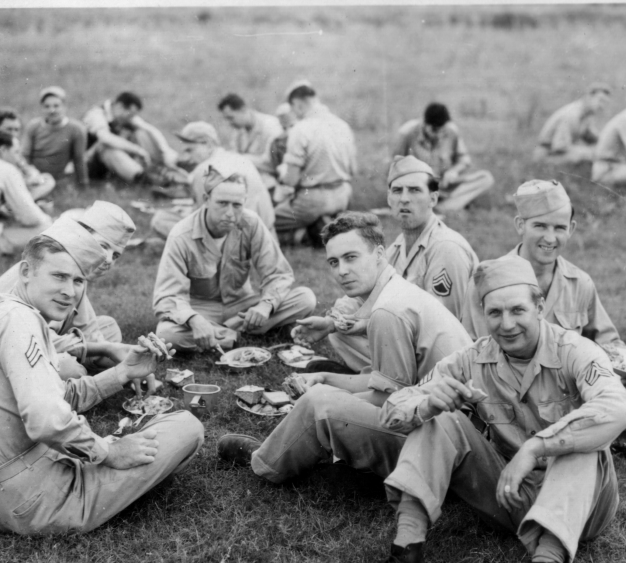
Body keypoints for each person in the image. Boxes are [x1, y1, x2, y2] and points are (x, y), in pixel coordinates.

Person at [344, 256, 626, 563]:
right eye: (495, 312)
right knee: (441, 420)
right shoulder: (472, 357)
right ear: (482, 314)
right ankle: (406, 562)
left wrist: (535, 447)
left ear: (540, 307)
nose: (507, 324)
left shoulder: (574, 350)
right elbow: (393, 411)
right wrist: (429, 402)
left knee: (581, 441)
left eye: (518, 310)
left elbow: (617, 408)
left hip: (583, 507)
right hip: (510, 496)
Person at [0, 223, 203, 536]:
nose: (70, 291)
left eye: (78, 280)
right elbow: (46, 420)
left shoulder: (13, 312)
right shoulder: (20, 321)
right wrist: (110, 452)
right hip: (29, 502)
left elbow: (57, 397)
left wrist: (123, 371)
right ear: (26, 272)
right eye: (58, 276)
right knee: (186, 427)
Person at [216, 211, 471, 481]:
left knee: (317, 403)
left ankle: (265, 464)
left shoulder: (388, 310)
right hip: (451, 423)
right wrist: (325, 378)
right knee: (323, 396)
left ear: (380, 253)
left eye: (351, 257)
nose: (342, 271)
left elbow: (388, 400)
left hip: (445, 441)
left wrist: (327, 399)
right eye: (334, 262)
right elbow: (391, 386)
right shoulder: (395, 292)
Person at [463, 180, 626, 462]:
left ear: (572, 229)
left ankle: (599, 432)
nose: (550, 237)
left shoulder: (580, 282)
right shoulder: (487, 281)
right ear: (520, 225)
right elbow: (477, 352)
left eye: (559, 228)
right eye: (540, 226)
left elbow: (606, 342)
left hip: (575, 390)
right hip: (517, 396)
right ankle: (603, 435)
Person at [299, 156, 479, 373]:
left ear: (433, 198)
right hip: (409, 335)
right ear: (388, 199)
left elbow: (440, 325)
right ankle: (380, 376)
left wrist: (366, 325)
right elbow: (367, 292)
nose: (404, 199)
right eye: (397, 191)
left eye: (414, 190)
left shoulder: (447, 248)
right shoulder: (400, 244)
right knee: (339, 325)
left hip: (454, 360)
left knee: (356, 327)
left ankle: (383, 380)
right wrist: (330, 322)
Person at [0, 201, 147, 385]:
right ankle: (74, 383)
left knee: (109, 328)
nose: (107, 259)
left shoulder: (76, 266)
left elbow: (87, 328)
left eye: (116, 255)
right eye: (103, 246)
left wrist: (125, 363)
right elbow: (29, 337)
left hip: (41, 340)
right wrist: (107, 351)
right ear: (82, 235)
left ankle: (80, 371)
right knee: (71, 370)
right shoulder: (47, 265)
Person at [153, 169, 316, 351]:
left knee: (306, 298)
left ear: (244, 202)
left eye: (237, 205)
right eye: (222, 203)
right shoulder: (181, 234)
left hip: (242, 305)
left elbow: (279, 274)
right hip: (201, 308)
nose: (230, 213)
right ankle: (241, 334)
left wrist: (265, 305)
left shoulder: (251, 223)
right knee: (166, 334)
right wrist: (194, 320)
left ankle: (220, 335)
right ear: (206, 199)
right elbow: (166, 296)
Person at [149, 122, 275, 238]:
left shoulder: (204, 169)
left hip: (236, 244)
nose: (187, 157)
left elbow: (204, 219)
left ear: (208, 145)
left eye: (190, 150)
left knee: (160, 220)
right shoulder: (238, 158)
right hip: (266, 238)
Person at [274, 81, 356, 247]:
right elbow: (353, 169)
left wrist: (283, 175)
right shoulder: (343, 125)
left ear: (297, 105)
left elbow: (291, 180)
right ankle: (328, 222)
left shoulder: (300, 129)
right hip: (342, 194)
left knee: (267, 219)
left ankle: (307, 232)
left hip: (312, 200)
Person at [392, 102, 494, 212]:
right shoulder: (407, 133)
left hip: (444, 185)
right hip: (419, 187)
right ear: (425, 123)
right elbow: (396, 166)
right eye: (435, 130)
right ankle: (447, 205)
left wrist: (453, 171)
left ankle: (442, 206)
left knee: (486, 178)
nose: (439, 135)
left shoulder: (451, 131)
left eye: (442, 130)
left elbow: (464, 160)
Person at [83, 91, 180, 183]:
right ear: (120, 107)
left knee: (140, 133)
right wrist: (137, 150)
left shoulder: (120, 115)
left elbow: (150, 129)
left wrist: (165, 151)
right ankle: (142, 177)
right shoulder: (96, 114)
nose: (131, 118)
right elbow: (105, 138)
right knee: (105, 146)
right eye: (130, 115)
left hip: (108, 164)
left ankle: (163, 165)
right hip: (87, 163)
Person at [21, 86, 89, 186]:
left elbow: (79, 159)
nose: (52, 110)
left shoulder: (76, 129)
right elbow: (24, 155)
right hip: (34, 175)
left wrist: (84, 184)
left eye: (56, 106)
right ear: (42, 108)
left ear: (65, 107)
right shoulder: (33, 126)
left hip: (59, 178)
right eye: (47, 106)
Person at [533, 84, 612, 164]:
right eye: (600, 100)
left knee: (598, 154)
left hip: (556, 154)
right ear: (588, 97)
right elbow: (560, 147)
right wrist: (587, 152)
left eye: (605, 103)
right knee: (587, 155)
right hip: (546, 155)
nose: (602, 106)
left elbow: (593, 138)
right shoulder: (572, 114)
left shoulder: (587, 116)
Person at [218, 93, 282, 191]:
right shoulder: (239, 130)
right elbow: (235, 152)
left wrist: (240, 158)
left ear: (243, 109)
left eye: (231, 118)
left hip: (272, 182)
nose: (229, 123)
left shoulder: (270, 126)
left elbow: (273, 163)